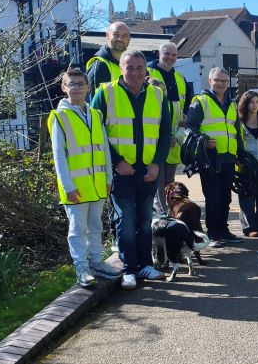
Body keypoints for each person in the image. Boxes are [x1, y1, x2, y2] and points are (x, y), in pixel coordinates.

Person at [90, 50, 172, 289]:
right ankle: (129, 268)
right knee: (125, 220)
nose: (135, 72)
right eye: (130, 67)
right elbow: (97, 132)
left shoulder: (157, 94)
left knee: (146, 220)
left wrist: (157, 162)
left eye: (139, 68)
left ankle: (146, 265)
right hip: (120, 171)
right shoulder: (105, 93)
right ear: (121, 69)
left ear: (146, 69)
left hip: (148, 170)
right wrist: (116, 161)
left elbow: (165, 132)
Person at [49, 68, 120, 287]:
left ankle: (96, 261)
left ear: (88, 87)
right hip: (76, 186)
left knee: (96, 225)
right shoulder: (59, 117)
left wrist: (109, 178)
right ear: (64, 88)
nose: (77, 88)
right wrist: (67, 185)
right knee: (77, 229)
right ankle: (82, 267)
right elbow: (59, 155)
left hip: (98, 183)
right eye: (72, 84)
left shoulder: (95, 115)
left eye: (81, 84)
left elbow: (104, 150)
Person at [185, 67, 245, 247]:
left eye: (224, 81)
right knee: (213, 196)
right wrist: (203, 141)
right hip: (210, 158)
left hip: (228, 157)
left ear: (228, 84)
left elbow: (237, 131)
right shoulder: (201, 101)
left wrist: (240, 154)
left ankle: (223, 230)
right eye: (217, 80)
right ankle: (213, 234)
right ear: (210, 81)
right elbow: (190, 127)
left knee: (226, 197)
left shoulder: (232, 104)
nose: (220, 84)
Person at [148, 42, 191, 215]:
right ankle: (162, 210)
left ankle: (171, 209)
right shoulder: (148, 72)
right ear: (159, 53)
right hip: (156, 135)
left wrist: (179, 134)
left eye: (174, 55)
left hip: (174, 137)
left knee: (170, 178)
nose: (170, 58)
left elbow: (184, 108)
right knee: (157, 177)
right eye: (167, 53)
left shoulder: (180, 77)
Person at [237, 90, 258, 237]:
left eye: (257, 102)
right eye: (251, 102)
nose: (255, 105)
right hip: (246, 164)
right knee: (246, 196)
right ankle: (250, 227)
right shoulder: (239, 122)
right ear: (245, 104)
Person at [87, 21, 130, 99]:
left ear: (129, 39)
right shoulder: (100, 66)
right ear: (107, 36)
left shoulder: (131, 65)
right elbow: (95, 105)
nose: (120, 39)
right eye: (116, 35)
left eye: (125, 35)